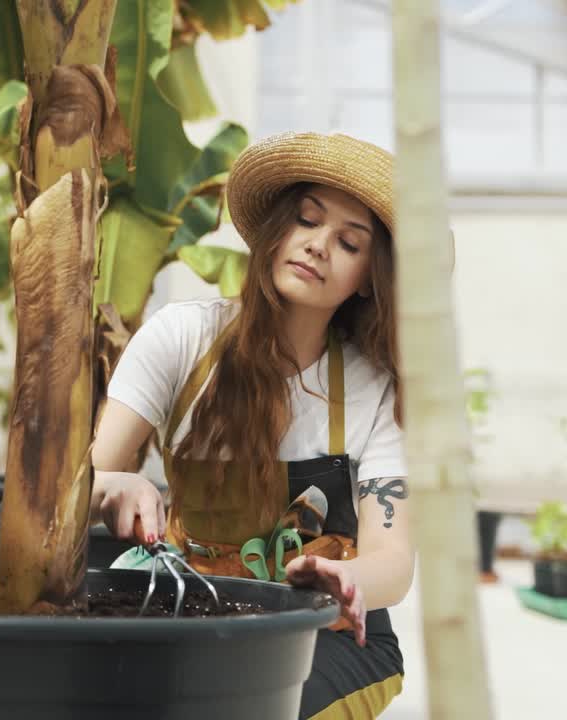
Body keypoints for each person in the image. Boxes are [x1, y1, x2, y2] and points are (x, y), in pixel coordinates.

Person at [92, 132, 415, 719]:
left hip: (323, 631)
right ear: (275, 231)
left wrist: (344, 578)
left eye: (348, 242)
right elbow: (84, 478)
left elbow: (392, 562)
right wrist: (119, 484)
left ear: (370, 276)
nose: (318, 246)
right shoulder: (181, 338)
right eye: (306, 221)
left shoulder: (375, 387)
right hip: (192, 607)